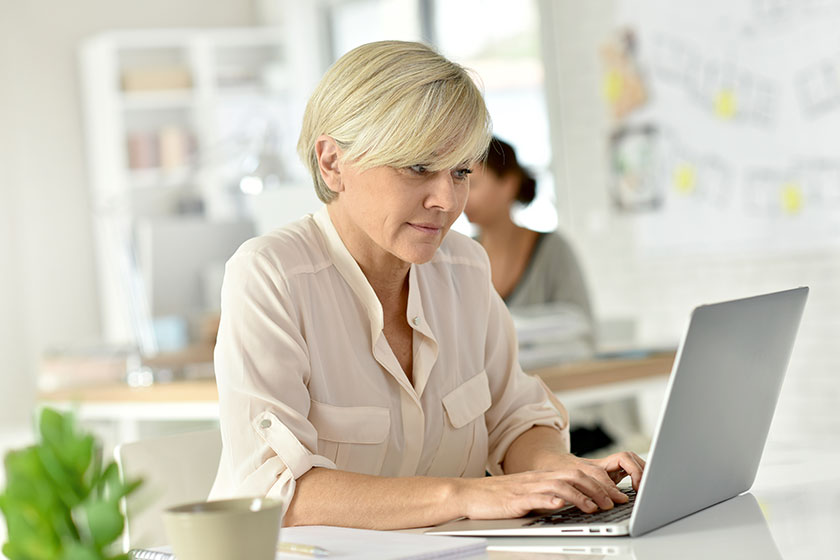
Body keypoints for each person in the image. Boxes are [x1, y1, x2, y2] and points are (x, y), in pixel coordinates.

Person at [208, 40, 644, 530]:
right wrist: (465, 495)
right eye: (418, 167)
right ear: (332, 163)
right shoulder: (270, 275)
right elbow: (275, 492)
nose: (447, 200)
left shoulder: (465, 268)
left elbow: (517, 418)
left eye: (460, 172)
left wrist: (555, 471)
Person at [464, 136, 593, 330]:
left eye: (472, 184)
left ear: (509, 184)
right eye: (458, 181)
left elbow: (582, 327)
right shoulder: (460, 256)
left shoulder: (553, 249)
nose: (461, 195)